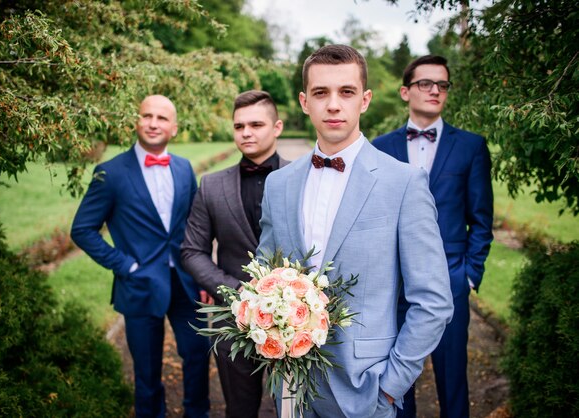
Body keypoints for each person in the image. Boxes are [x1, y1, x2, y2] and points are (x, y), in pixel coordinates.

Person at [256, 44, 454, 418]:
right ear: (303, 101)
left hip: (367, 390)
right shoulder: (278, 184)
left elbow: (433, 301)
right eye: (320, 93)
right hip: (292, 389)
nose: (333, 105)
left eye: (346, 92)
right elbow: (265, 278)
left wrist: (391, 387)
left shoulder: (404, 183)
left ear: (364, 100)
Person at [70, 95, 210, 418]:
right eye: (147, 115)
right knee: (147, 374)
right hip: (139, 284)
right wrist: (125, 265)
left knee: (198, 356)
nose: (153, 123)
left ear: (173, 128)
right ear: (137, 121)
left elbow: (194, 226)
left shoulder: (184, 168)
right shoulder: (111, 173)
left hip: (185, 283)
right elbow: (82, 229)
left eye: (162, 118)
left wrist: (202, 274)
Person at [373, 55, 494, 418]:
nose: (435, 91)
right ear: (405, 91)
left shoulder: (471, 146)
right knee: (396, 383)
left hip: (451, 281)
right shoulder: (379, 147)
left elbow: (482, 218)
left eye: (442, 84)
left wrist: (469, 275)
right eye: (426, 83)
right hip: (394, 286)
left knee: (453, 378)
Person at [181, 90, 287, 418]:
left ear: (277, 127)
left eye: (256, 124)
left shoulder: (303, 179)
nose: (246, 132)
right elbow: (192, 251)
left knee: (297, 409)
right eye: (239, 126)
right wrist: (233, 290)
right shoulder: (211, 185)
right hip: (233, 323)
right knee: (239, 410)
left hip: (294, 325)